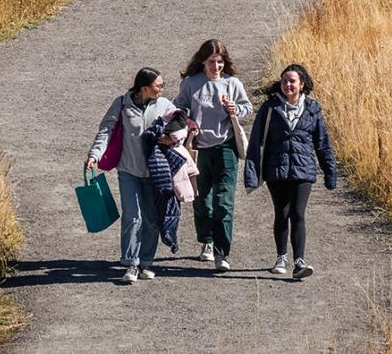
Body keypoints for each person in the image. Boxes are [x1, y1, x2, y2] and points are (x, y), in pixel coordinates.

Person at [243, 64, 337, 279]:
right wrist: (252, 174)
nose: (288, 85)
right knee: (282, 213)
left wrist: (329, 172)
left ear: (302, 84)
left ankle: (299, 262)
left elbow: (322, 143)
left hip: (303, 170)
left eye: (292, 81)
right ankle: (281, 257)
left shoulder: (313, 109)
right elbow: (257, 142)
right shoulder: (270, 108)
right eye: (285, 81)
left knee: (298, 213)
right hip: (276, 170)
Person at [87, 68, 178, 283]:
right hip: (128, 170)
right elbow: (106, 130)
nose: (161, 89)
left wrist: (173, 139)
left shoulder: (165, 105)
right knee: (132, 215)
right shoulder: (121, 104)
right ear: (144, 88)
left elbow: (181, 127)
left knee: (151, 218)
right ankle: (131, 263)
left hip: (155, 173)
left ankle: (146, 261)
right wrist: (95, 154)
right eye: (158, 86)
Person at [173, 39, 252, 272]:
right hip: (198, 149)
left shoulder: (233, 83)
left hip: (226, 147)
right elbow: (179, 107)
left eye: (219, 62)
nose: (216, 67)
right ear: (202, 61)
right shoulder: (191, 84)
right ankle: (206, 241)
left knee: (224, 202)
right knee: (202, 200)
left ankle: (222, 253)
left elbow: (247, 107)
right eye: (211, 62)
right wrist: (188, 120)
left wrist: (236, 110)